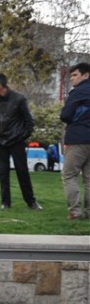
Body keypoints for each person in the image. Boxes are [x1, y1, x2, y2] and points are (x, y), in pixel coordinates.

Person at [0, 73, 43, 210]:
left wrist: (21, 137)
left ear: (0, 85)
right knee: (2, 172)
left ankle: (31, 201)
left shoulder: (19, 99)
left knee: (22, 171)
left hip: (16, 141)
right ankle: (5, 203)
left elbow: (29, 122)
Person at [59, 62, 90, 220]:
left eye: (75, 75)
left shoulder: (78, 92)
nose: (71, 79)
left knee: (69, 175)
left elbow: (65, 115)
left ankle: (75, 212)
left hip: (78, 139)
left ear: (86, 75)